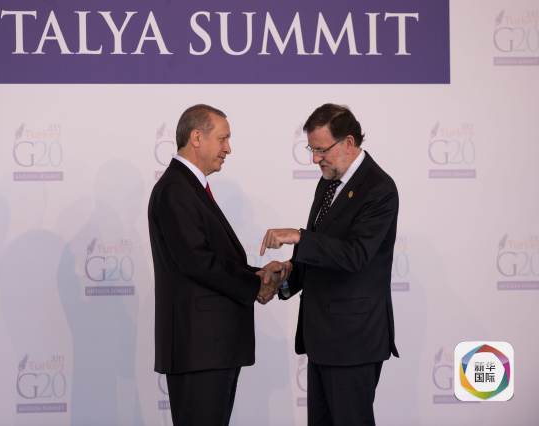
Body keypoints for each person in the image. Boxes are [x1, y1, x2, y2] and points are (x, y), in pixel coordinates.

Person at [259, 103, 399, 426]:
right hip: (322, 339)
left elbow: (355, 254)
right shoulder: (329, 182)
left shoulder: (379, 188)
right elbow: (322, 253)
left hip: (353, 342)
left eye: (321, 149)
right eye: (312, 149)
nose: (315, 159)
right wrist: (287, 275)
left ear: (348, 142)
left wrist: (299, 236)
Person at [148, 104, 280, 426]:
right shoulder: (176, 190)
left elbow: (209, 258)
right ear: (196, 137)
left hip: (211, 349)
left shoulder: (188, 188)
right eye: (223, 138)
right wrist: (255, 284)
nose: (228, 148)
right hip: (199, 350)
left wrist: (257, 275)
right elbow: (197, 261)